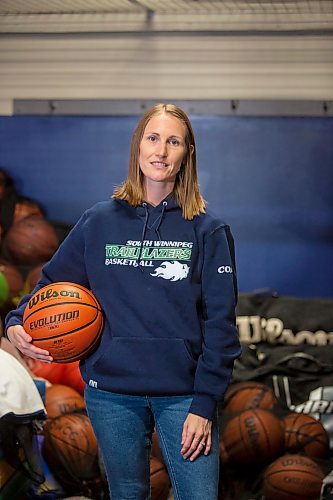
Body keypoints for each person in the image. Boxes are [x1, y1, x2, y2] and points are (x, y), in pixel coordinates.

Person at [4, 103, 241, 500]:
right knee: (126, 494)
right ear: (137, 146)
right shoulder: (99, 221)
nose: (161, 151)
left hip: (184, 396)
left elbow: (221, 326)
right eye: (153, 138)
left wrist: (204, 405)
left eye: (173, 141)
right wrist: (16, 319)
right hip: (111, 393)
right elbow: (50, 285)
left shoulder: (209, 230)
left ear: (187, 154)